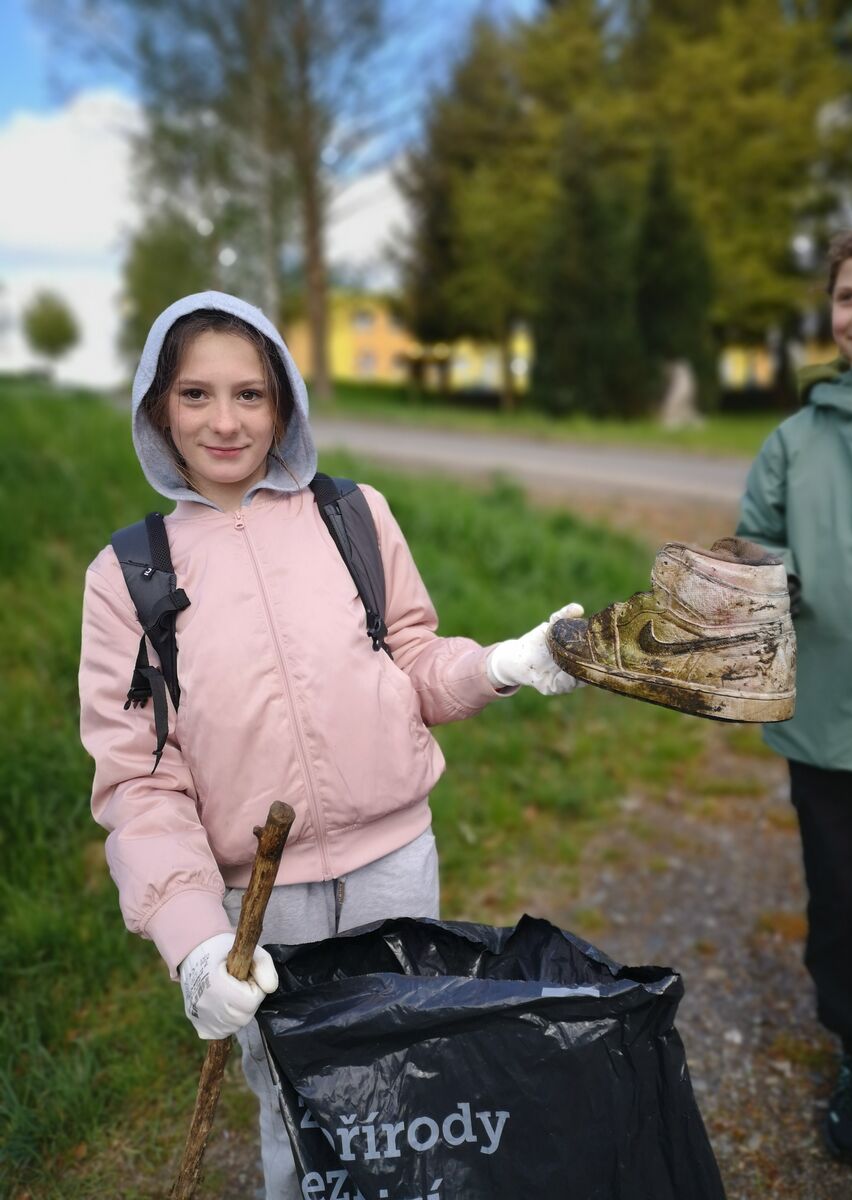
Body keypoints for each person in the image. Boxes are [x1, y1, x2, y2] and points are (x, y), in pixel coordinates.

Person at [78, 291, 582, 1199]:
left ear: (284, 403)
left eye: (250, 394)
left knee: (412, 1080)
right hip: (260, 905)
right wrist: (196, 944)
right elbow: (139, 784)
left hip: (396, 866)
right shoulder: (128, 575)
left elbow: (414, 659)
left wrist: (499, 664)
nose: (225, 422)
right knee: (296, 1104)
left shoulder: (354, 514)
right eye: (195, 395)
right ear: (158, 408)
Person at [736, 215, 852, 1167]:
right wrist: (774, 575)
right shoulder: (793, 442)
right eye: (849, 296)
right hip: (825, 711)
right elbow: (757, 540)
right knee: (841, 898)